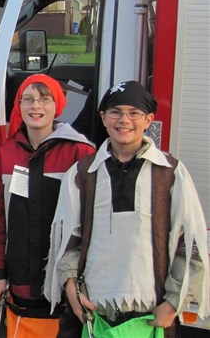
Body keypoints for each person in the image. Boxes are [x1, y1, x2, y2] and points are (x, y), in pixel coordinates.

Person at [44, 81, 209, 338]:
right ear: (103, 117)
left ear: (149, 120)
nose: (124, 120)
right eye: (115, 112)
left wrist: (174, 301)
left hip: (150, 315)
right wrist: (71, 288)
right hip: (92, 314)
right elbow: (69, 241)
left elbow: (190, 243)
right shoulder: (82, 173)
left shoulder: (171, 173)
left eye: (134, 113)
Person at [0, 74, 95, 336]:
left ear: (57, 105)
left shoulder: (79, 153)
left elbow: (91, 223)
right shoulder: (6, 154)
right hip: (20, 282)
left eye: (44, 99)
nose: (35, 106)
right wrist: (0, 273)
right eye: (28, 99)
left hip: (64, 284)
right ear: (19, 106)